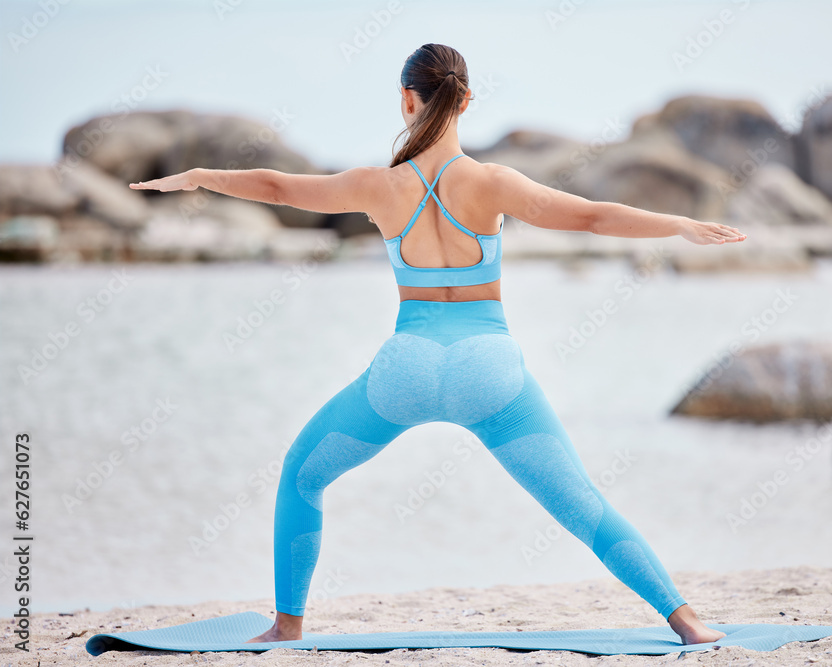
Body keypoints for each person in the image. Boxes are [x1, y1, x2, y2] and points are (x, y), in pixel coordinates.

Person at [131, 43, 746, 646]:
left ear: (407, 99)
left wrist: (201, 176)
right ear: (468, 101)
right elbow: (589, 216)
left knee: (301, 475)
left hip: (406, 370)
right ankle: (685, 621)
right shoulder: (492, 182)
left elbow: (276, 187)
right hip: (490, 371)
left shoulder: (378, 186)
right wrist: (679, 225)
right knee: (580, 504)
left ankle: (288, 625)